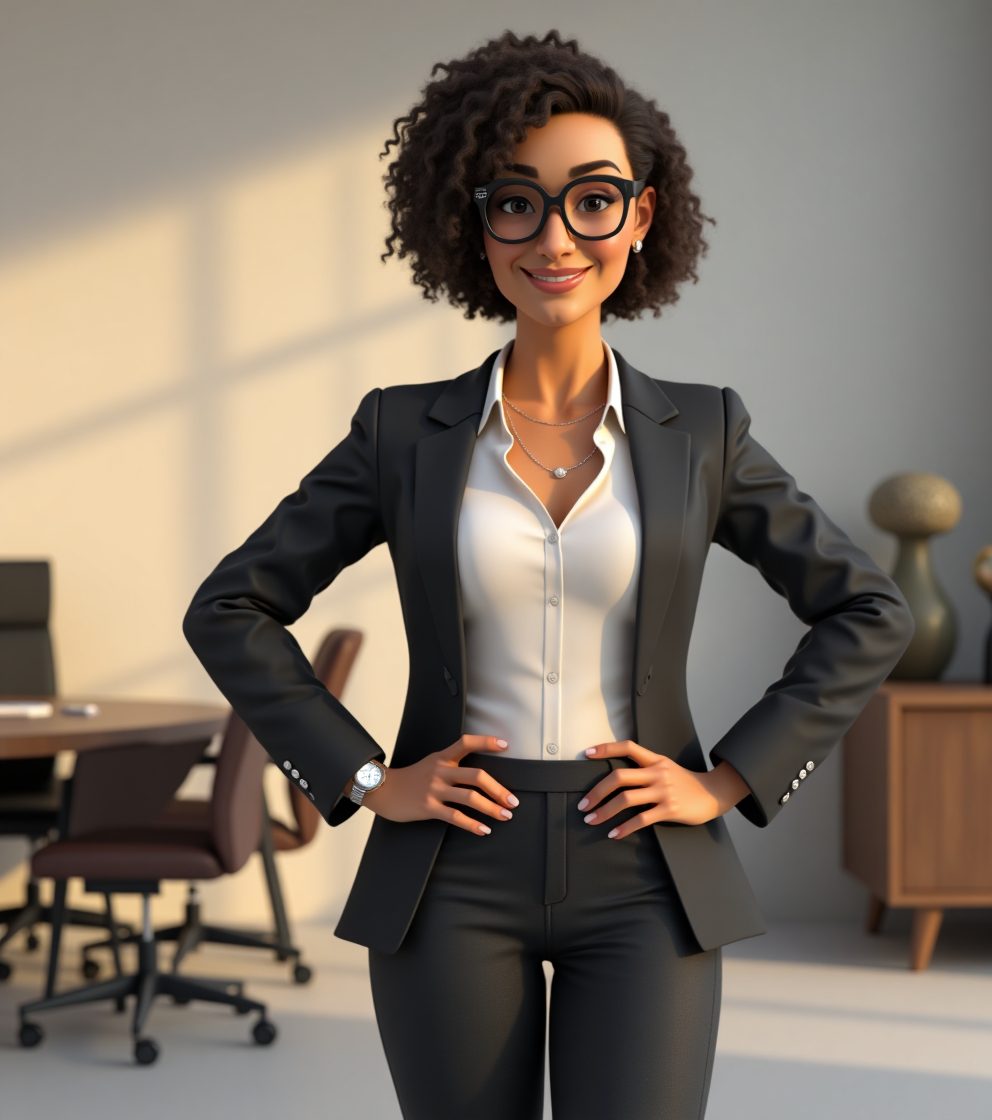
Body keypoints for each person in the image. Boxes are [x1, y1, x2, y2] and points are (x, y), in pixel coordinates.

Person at [182, 28, 915, 1120]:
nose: (556, 237)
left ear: (641, 216)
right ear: (472, 224)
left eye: (593, 199)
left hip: (649, 867)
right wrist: (369, 779)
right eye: (517, 202)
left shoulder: (702, 434)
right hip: (448, 867)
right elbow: (230, 606)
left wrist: (727, 779)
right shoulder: (401, 434)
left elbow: (867, 606)